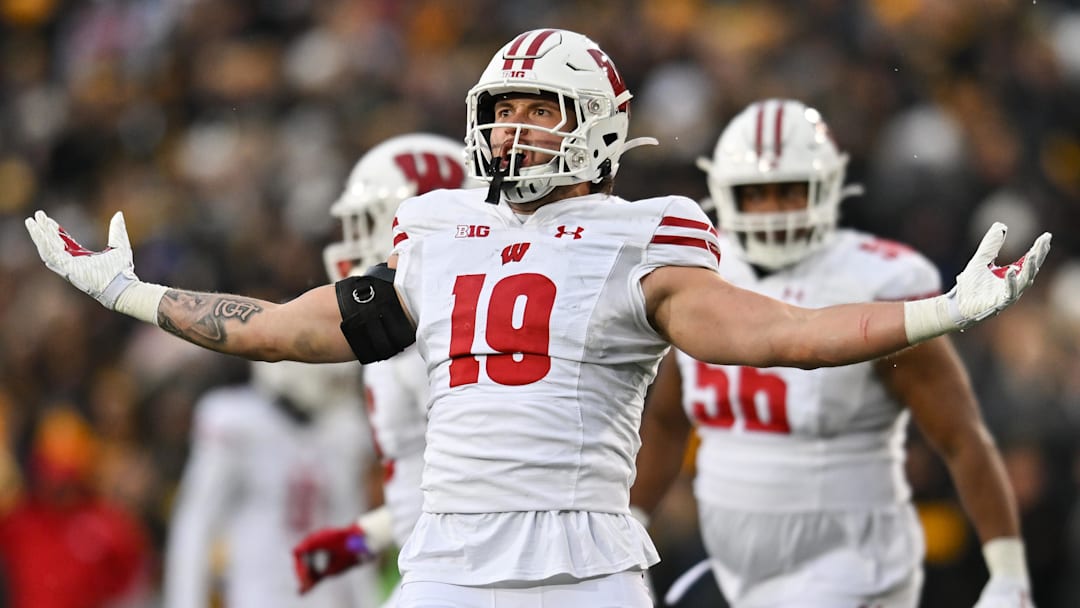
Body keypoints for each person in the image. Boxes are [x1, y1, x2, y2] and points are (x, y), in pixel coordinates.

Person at [24, 29, 1050, 608]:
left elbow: (774, 332)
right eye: (500, 107)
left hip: (583, 565)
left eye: (539, 108)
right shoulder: (434, 228)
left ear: (596, 125)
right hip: (445, 565)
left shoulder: (643, 231)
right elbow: (285, 326)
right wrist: (131, 293)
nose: (512, 126)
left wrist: (931, 310)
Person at [630, 98, 1034, 608]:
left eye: (790, 191)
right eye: (755, 193)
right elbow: (668, 420)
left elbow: (959, 435)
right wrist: (632, 525)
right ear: (723, 194)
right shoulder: (699, 274)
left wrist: (1007, 572)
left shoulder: (878, 279)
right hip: (738, 570)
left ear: (827, 188)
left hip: (855, 565)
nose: (773, 210)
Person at [292, 133, 477, 606]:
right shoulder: (396, 335)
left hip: (467, 572)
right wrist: (359, 540)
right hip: (435, 568)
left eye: (370, 222)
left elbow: (482, 479)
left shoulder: (437, 334)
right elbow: (415, 493)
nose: (352, 244)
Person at [162, 359, 381, 608]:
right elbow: (195, 524)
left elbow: (351, 534)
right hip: (258, 595)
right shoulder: (236, 422)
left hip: (325, 598)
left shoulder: (345, 431)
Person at [0, 407, 153, 608]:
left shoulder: (111, 525)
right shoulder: (18, 521)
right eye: (51, 474)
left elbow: (135, 588)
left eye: (66, 478)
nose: (57, 485)